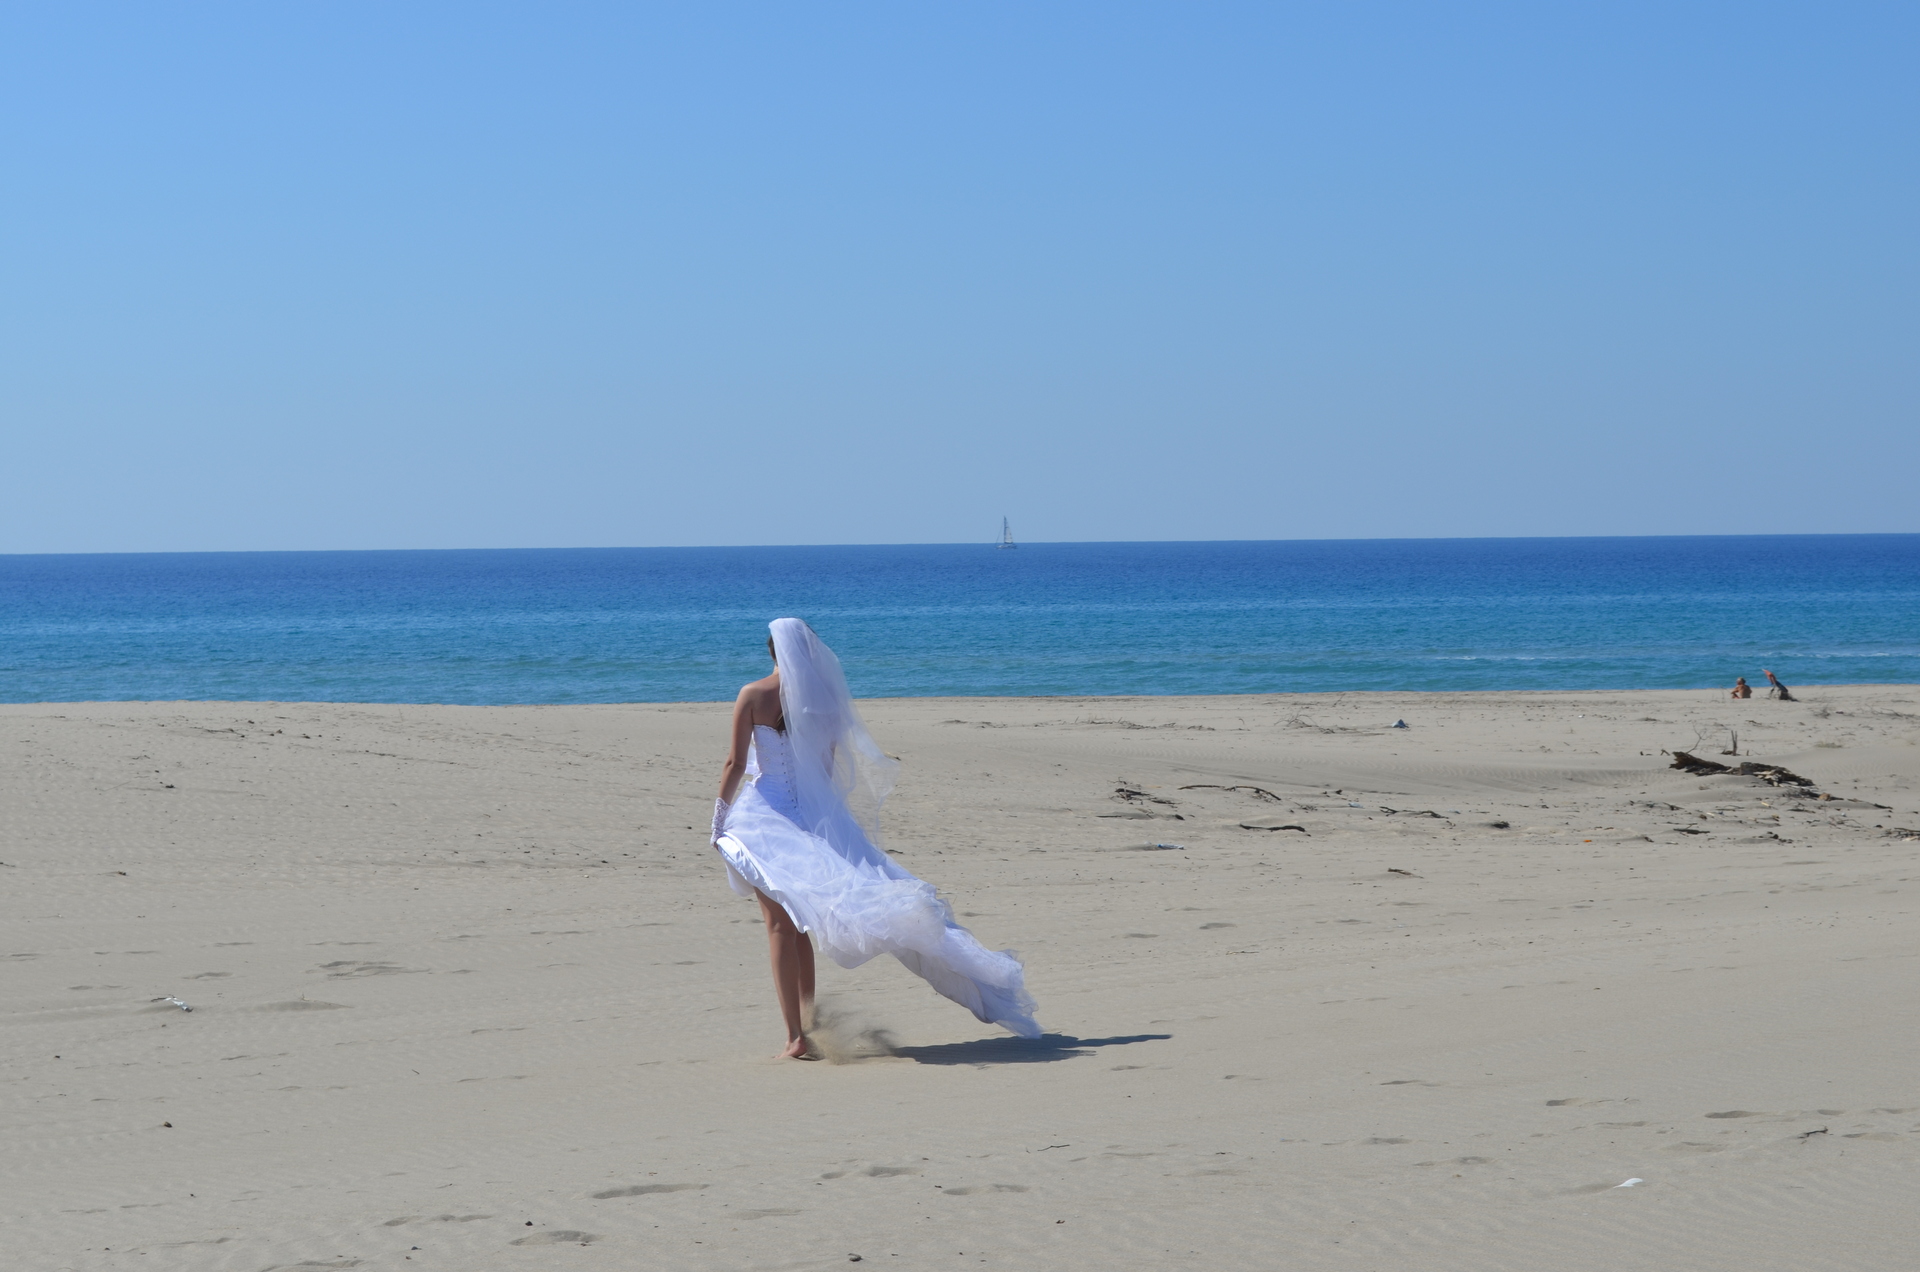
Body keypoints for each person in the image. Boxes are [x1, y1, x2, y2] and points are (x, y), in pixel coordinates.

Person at [711, 618, 1040, 1059]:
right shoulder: (822, 705)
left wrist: (719, 817)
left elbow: (735, 763)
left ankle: (795, 1036)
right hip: (808, 817)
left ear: (772, 651)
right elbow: (822, 771)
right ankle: (807, 1026)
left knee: (778, 927)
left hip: (765, 819)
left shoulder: (752, 695)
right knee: (798, 926)